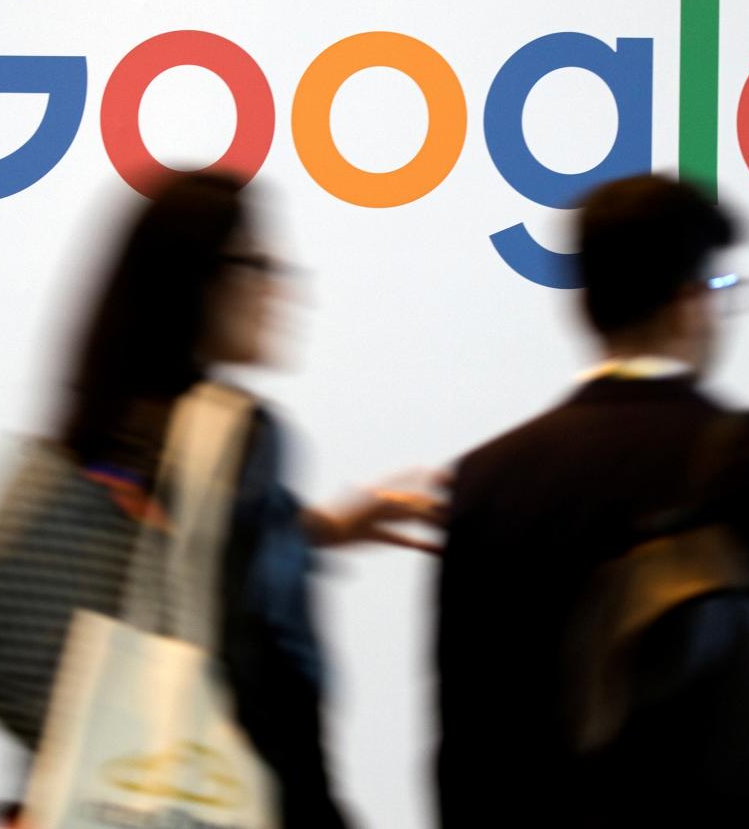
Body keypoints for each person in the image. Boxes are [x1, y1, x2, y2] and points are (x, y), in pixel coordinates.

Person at [436, 175, 749, 827]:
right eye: (718, 289)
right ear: (689, 304)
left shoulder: (486, 477)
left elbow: (464, 739)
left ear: (583, 307)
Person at [22, 170, 438, 827]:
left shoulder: (99, 429)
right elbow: (267, 673)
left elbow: (176, 553)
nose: (279, 291)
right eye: (257, 265)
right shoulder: (237, 434)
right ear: (199, 280)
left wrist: (310, 529)